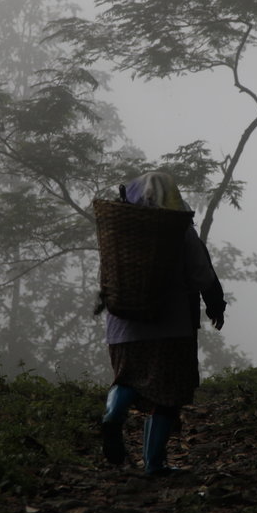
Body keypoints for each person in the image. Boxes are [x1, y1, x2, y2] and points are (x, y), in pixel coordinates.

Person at [98, 171, 227, 476]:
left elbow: (107, 279)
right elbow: (202, 275)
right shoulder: (180, 230)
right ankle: (154, 464)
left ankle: (113, 414)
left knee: (127, 377)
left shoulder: (120, 231)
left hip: (123, 326)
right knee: (167, 393)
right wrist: (215, 303)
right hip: (171, 326)